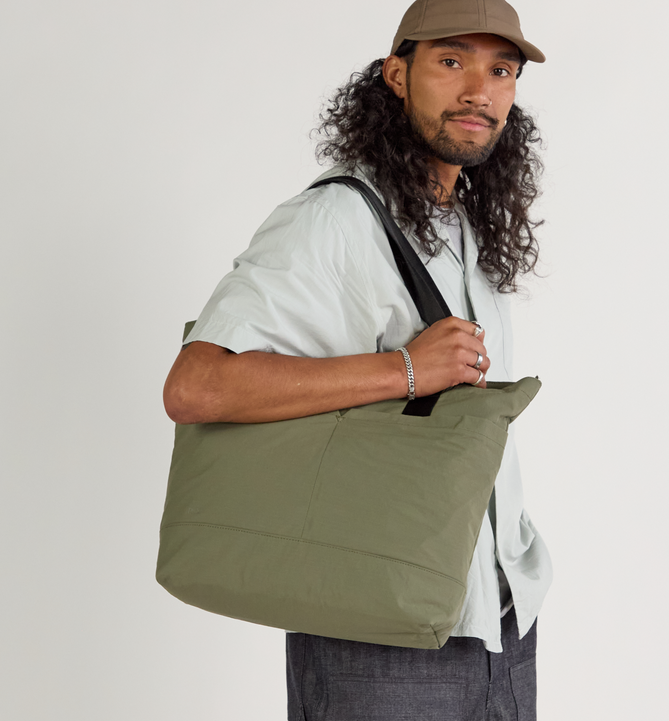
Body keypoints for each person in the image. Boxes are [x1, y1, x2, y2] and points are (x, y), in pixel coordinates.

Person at [163, 0, 553, 717]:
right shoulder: (336, 219)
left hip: (500, 625)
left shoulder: (467, 225)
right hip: (380, 634)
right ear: (396, 75)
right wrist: (407, 370)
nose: (480, 89)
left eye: (502, 69)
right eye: (451, 60)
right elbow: (198, 385)